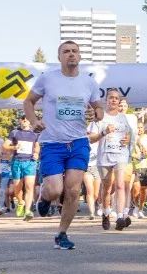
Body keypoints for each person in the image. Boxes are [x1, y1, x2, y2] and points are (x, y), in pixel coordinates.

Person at [24, 40, 103, 250]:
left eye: (75, 51)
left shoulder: (88, 82)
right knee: (55, 190)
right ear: (59, 57)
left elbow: (99, 110)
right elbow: (28, 101)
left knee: (74, 191)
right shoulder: (48, 79)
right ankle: (44, 195)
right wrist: (34, 122)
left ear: (80, 56)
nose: (71, 54)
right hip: (52, 142)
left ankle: (62, 233)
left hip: (78, 142)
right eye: (66, 51)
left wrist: (94, 113)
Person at [94, 89, 135, 230]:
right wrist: (104, 132)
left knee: (120, 185)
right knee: (106, 188)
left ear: (119, 101)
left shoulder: (123, 118)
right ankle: (106, 212)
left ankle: (119, 217)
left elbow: (128, 134)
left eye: (116, 98)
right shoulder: (101, 117)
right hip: (105, 155)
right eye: (111, 97)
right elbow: (91, 138)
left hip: (120, 154)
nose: (113, 100)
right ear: (106, 100)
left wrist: (127, 139)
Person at [4, 116, 40, 221]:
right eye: (23, 118)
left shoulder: (35, 134)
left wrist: (36, 153)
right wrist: (13, 147)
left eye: (27, 118)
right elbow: (5, 146)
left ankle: (28, 211)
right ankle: (20, 203)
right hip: (17, 161)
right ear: (20, 120)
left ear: (30, 121)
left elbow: (37, 146)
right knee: (17, 187)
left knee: (29, 186)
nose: (25, 120)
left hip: (30, 162)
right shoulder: (14, 133)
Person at [133, 120, 147, 218]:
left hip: (146, 166)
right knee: (136, 188)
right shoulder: (132, 138)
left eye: (141, 127)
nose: (139, 129)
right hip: (135, 166)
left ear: (144, 128)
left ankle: (141, 208)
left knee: (144, 189)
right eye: (138, 128)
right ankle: (135, 206)